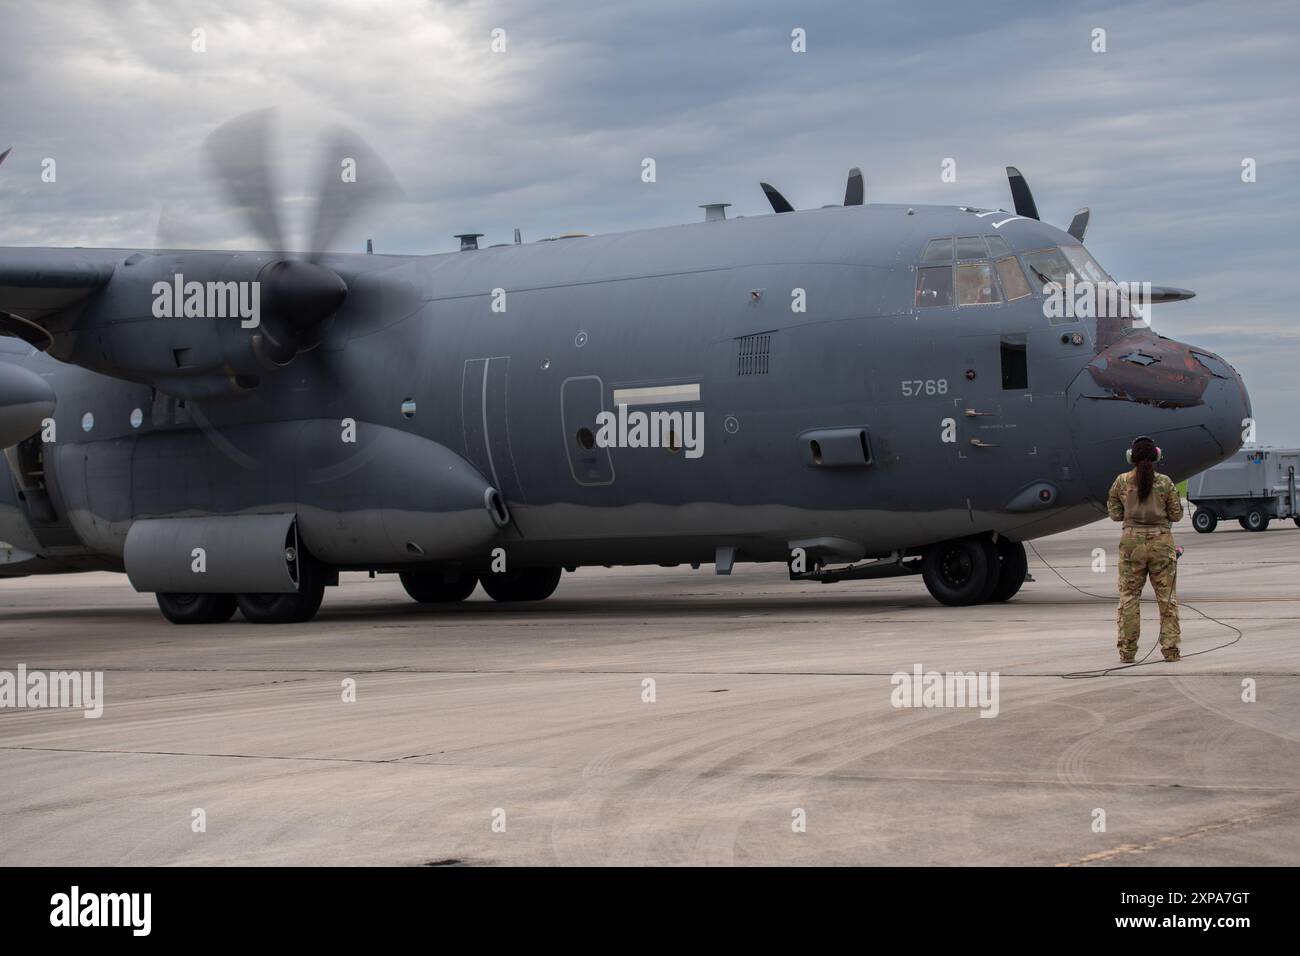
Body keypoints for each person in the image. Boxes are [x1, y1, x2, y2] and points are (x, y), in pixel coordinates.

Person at [1106, 436, 1183, 663]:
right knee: (1167, 599)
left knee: (1129, 598)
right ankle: (1170, 650)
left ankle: (1127, 652)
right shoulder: (1165, 482)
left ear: (1131, 457)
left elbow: (1115, 514)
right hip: (1161, 544)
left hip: (1131, 546)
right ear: (1156, 456)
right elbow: (1177, 515)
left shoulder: (1121, 482)